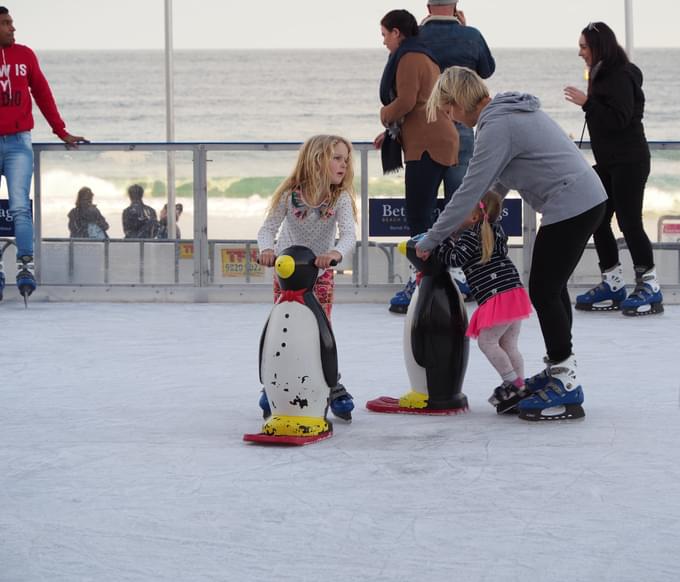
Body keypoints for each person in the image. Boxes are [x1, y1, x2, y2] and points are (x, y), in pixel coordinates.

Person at [416, 66, 608, 421]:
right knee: (551, 288)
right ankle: (560, 370)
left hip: (571, 203)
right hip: (584, 197)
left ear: (459, 101)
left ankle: (565, 382)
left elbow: (470, 187)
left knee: (544, 290)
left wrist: (432, 237)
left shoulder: (496, 124)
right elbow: (499, 175)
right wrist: (495, 196)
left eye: (450, 111)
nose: (453, 120)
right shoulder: (506, 113)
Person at [564, 21, 663, 316]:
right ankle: (613, 281)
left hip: (630, 160)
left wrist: (587, 103)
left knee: (629, 222)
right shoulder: (603, 72)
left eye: (584, 47)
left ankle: (649, 285)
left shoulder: (619, 75)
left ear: (598, 46)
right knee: (597, 217)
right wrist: (590, 102)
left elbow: (619, 119)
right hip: (608, 162)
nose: (580, 53)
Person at [257, 134, 357, 420]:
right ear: (316, 161)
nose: (343, 165)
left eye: (346, 160)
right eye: (336, 158)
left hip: (319, 275)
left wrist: (334, 254)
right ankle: (271, 384)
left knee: (320, 329)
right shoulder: (290, 195)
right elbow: (268, 229)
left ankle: (332, 383)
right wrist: (266, 249)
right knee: (282, 328)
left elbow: (349, 235)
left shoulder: (340, 199)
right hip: (287, 273)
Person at [373, 9, 458, 314]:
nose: (383, 42)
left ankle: (421, 280)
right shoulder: (427, 56)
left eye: (384, 34)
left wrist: (384, 115)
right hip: (436, 137)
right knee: (433, 213)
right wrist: (394, 132)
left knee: (419, 215)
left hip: (426, 143)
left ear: (397, 32)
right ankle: (436, 275)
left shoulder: (409, 58)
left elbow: (407, 102)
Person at [0, 6, 87, 300]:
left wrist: (60, 131)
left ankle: (26, 265)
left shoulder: (25, 55)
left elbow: (42, 92)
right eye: (6, 24)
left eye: (12, 22)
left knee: (20, 208)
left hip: (18, 144)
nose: (13, 28)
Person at [418, 0, 497, 304]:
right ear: (455, 6)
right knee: (462, 198)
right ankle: (464, 274)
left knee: (422, 205)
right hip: (463, 127)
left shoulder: (417, 37)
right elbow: (486, 70)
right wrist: (464, 29)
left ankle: (426, 271)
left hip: (424, 129)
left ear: (427, 5)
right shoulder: (471, 35)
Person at [433, 191, 531, 414]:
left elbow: (455, 258)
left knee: (487, 342)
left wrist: (440, 241)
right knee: (509, 345)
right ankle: (520, 384)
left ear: (474, 217)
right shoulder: (495, 230)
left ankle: (512, 384)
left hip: (498, 296)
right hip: (514, 292)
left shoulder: (470, 235)